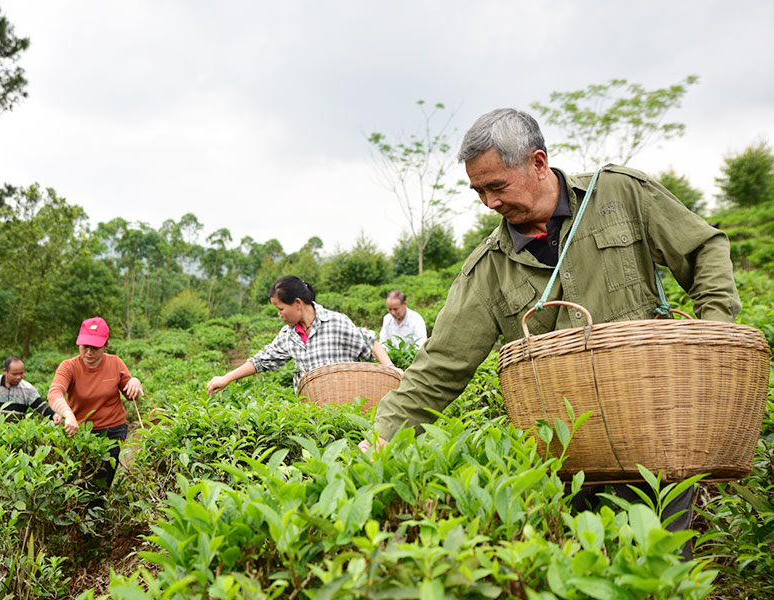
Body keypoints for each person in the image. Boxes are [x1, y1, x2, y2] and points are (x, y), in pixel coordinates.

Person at [361, 108, 741, 559]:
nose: (489, 203)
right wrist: (384, 434)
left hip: (654, 429)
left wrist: (713, 339)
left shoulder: (620, 194)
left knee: (657, 562)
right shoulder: (488, 269)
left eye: (497, 186)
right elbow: (440, 365)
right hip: (568, 453)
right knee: (586, 564)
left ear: (538, 164)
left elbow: (703, 248)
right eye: (478, 191)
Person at [207, 275, 400, 395]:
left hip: (347, 404)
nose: (279, 314)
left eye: (281, 308)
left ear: (298, 303)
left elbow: (369, 341)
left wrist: (391, 368)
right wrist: (227, 378)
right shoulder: (288, 335)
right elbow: (261, 361)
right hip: (313, 413)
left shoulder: (335, 322)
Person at [47, 317, 144, 490]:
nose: (89, 353)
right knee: (80, 481)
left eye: (95, 347)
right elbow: (55, 392)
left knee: (102, 482)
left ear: (106, 346)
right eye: (85, 347)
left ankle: (98, 513)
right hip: (81, 431)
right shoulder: (69, 367)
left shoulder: (115, 362)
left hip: (114, 431)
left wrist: (134, 382)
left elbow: (131, 395)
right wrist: (67, 413)